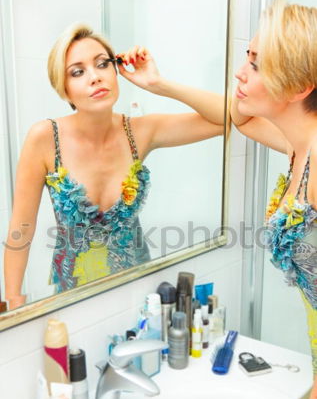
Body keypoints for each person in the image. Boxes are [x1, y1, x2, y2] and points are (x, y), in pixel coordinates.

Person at [4, 23, 224, 310]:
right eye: (78, 71)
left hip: (136, 287)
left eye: (102, 64)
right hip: (73, 293)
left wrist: (159, 84)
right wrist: (13, 303)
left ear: (116, 70)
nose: (95, 77)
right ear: (65, 89)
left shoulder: (141, 132)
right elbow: (21, 228)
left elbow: (229, 118)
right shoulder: (45, 138)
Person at [231, 0, 317, 399]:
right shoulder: (299, 145)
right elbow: (240, 118)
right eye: (248, 56)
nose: (241, 73)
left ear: (301, 85)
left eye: (257, 64)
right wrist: (158, 83)